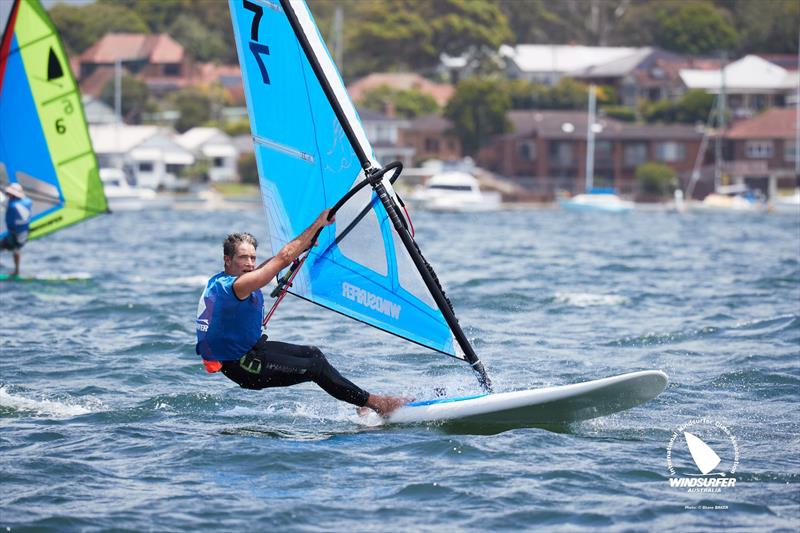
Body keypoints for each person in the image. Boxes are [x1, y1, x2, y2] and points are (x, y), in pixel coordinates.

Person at [196, 209, 409, 417]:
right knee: (314, 368)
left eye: (252, 258)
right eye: (243, 258)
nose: (250, 264)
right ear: (227, 260)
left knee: (313, 353)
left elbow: (271, 264)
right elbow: (282, 258)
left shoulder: (225, 280)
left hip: (251, 352)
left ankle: (363, 402)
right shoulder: (233, 287)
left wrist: (303, 244)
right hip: (244, 367)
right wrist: (317, 225)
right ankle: (378, 403)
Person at [1, 183, 32, 277]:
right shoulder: (28, 202)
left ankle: (16, 271)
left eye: (9, 193)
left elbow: (4, 202)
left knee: (14, 249)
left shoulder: (12, 205)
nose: (7, 195)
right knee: (16, 250)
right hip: (24, 234)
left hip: (15, 235)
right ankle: (17, 271)